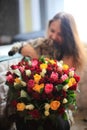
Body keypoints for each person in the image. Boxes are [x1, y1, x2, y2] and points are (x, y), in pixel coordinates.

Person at [7, 11, 86, 130]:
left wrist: (35, 57)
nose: (53, 36)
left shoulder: (72, 55)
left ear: (69, 36)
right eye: (52, 31)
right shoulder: (43, 44)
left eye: (60, 34)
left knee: (53, 123)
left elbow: (58, 83)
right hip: (33, 102)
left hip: (58, 107)